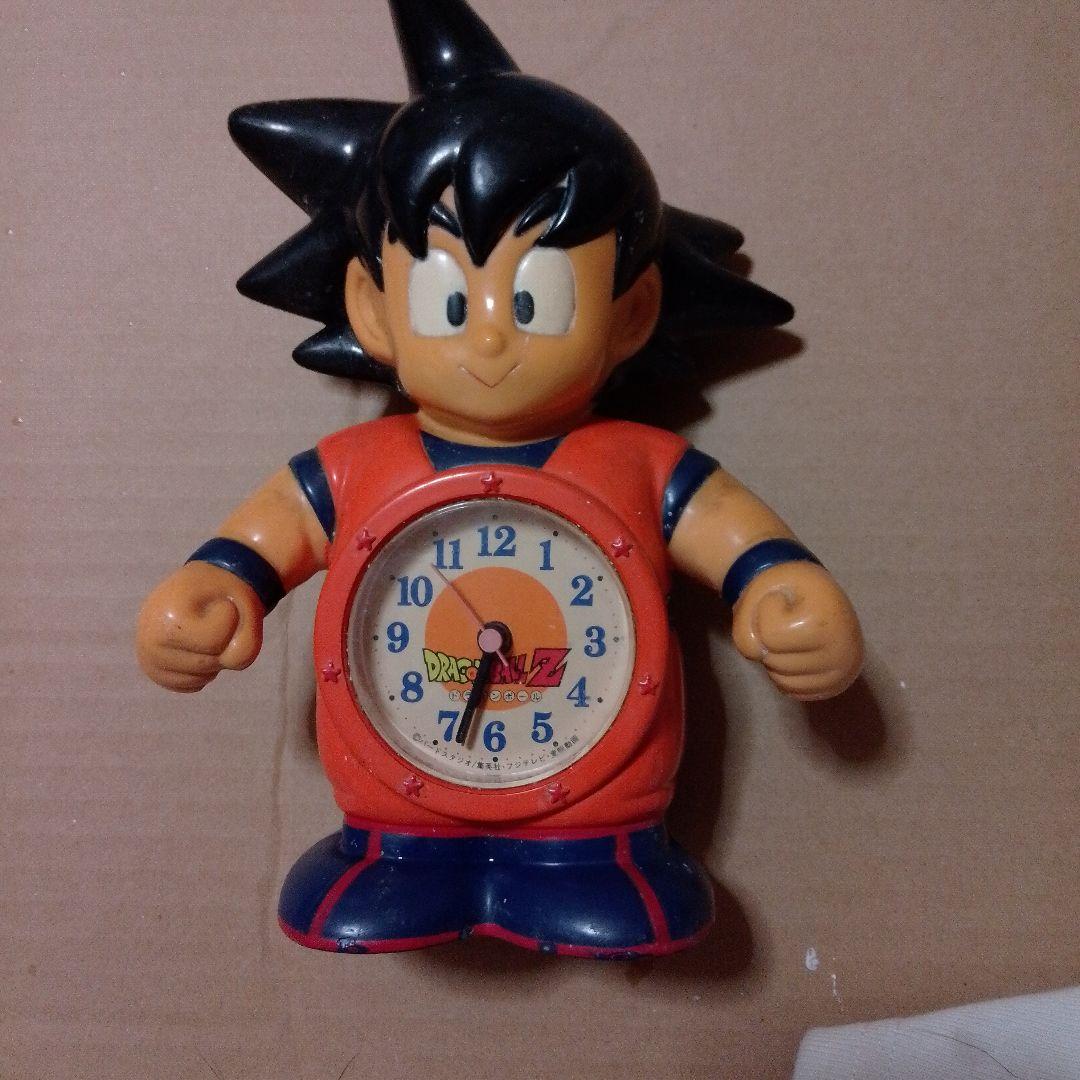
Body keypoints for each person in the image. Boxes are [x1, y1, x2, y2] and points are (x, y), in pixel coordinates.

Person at [137, 0, 863, 958]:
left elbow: (740, 542)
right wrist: (212, 589)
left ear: (632, 312)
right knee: (394, 847)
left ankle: (591, 862)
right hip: (394, 788)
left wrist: (784, 591)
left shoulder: (638, 463)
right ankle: (400, 860)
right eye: (450, 296)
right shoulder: (360, 467)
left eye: (535, 296)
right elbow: (261, 541)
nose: (488, 337)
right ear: (374, 309)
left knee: (604, 859)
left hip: (599, 794)